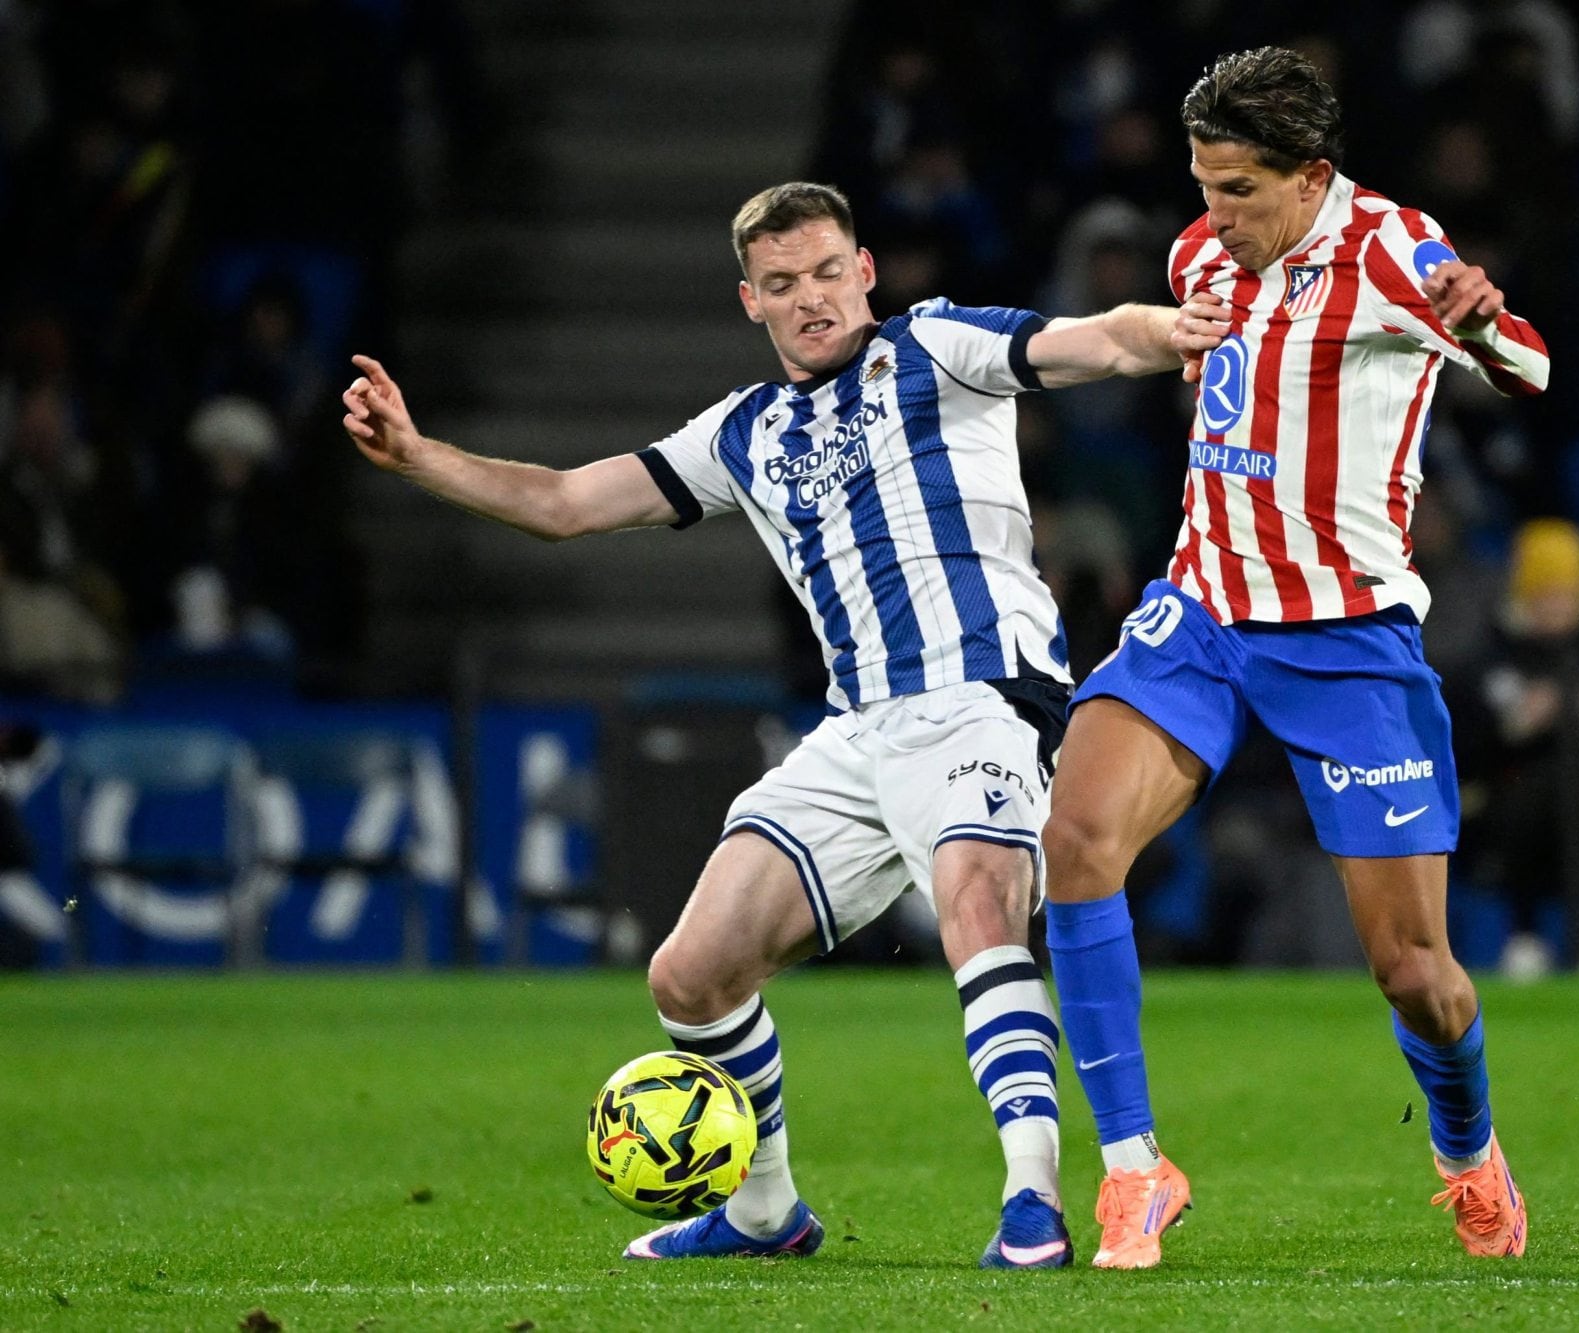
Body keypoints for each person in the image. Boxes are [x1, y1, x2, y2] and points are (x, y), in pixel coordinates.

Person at [341, 181, 1183, 1268]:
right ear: (751, 300)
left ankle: (1035, 1201)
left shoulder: (935, 348)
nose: (811, 297)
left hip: (982, 696)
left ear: (864, 272)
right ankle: (763, 1211)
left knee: (978, 904)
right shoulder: (743, 432)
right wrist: (419, 456)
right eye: (782, 283)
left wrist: (1179, 328)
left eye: (828, 272)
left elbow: (1096, 341)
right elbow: (564, 503)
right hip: (855, 730)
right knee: (688, 975)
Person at [1038, 48, 1550, 1269]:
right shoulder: (1198, 257)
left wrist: (1481, 320)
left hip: (1346, 639)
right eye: (1203, 185)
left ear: (1310, 178)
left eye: (1239, 190)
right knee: (1075, 838)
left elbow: (1530, 365)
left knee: (1413, 971)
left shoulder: (1390, 250)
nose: (1214, 215)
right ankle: (1132, 1168)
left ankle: (1467, 1152)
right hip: (1202, 612)